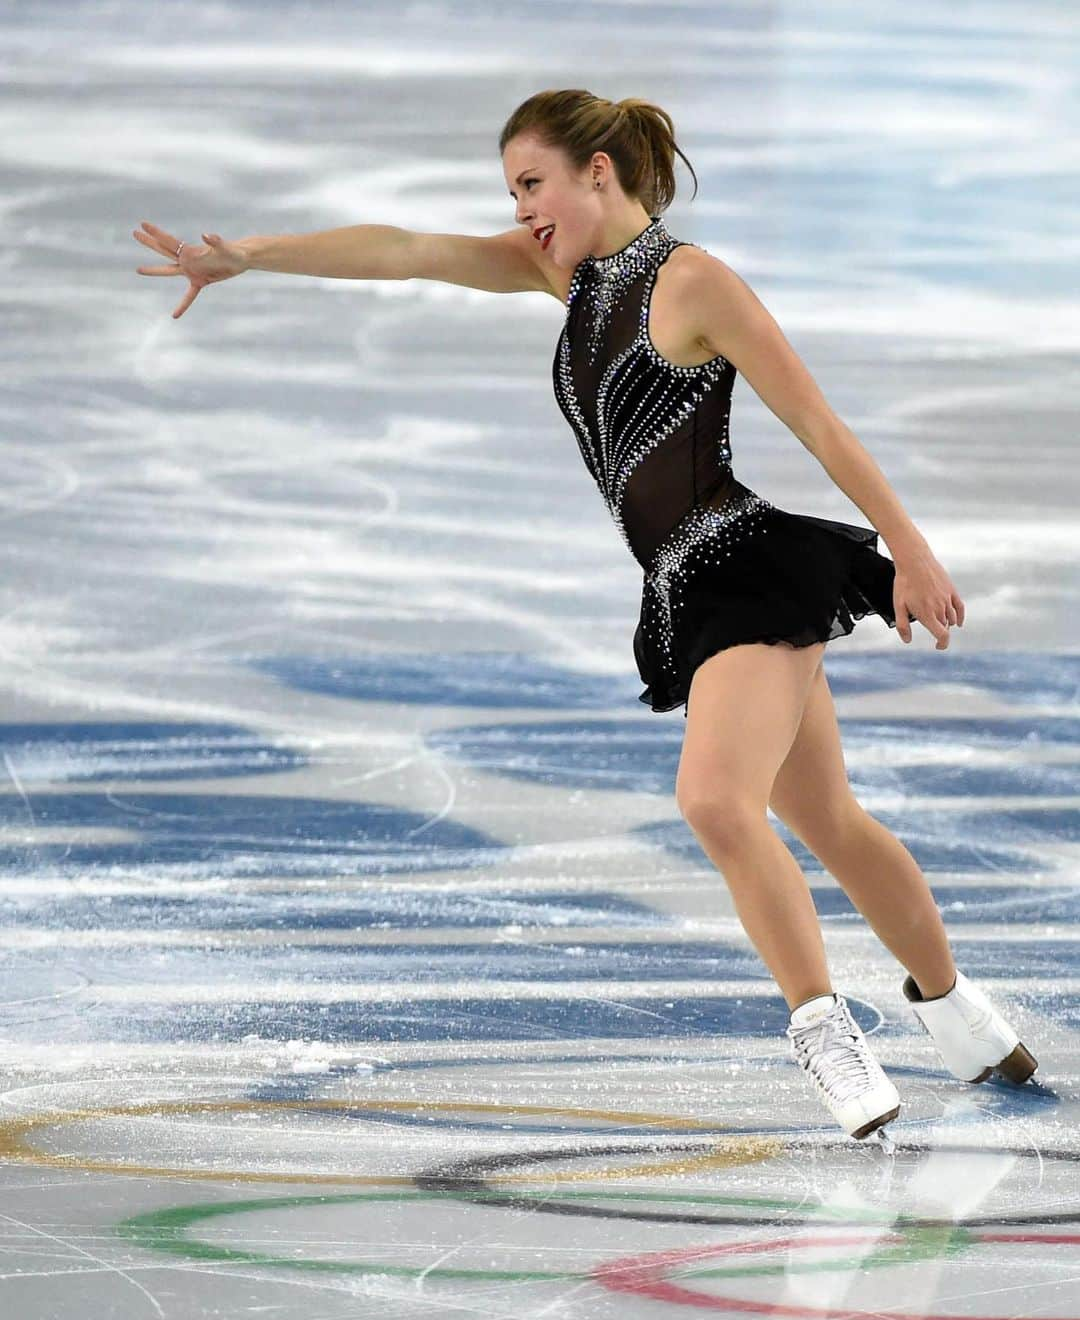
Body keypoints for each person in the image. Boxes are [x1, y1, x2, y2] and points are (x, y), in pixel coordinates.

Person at [132, 87, 1037, 1141]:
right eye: (512, 191)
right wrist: (247, 255)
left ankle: (821, 1025)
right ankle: (963, 1013)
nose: (520, 210)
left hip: (746, 564)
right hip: (684, 587)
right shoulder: (556, 271)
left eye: (532, 184)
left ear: (597, 172)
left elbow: (820, 423)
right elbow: (407, 251)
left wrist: (911, 548)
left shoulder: (693, 280)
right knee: (825, 819)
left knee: (713, 800)